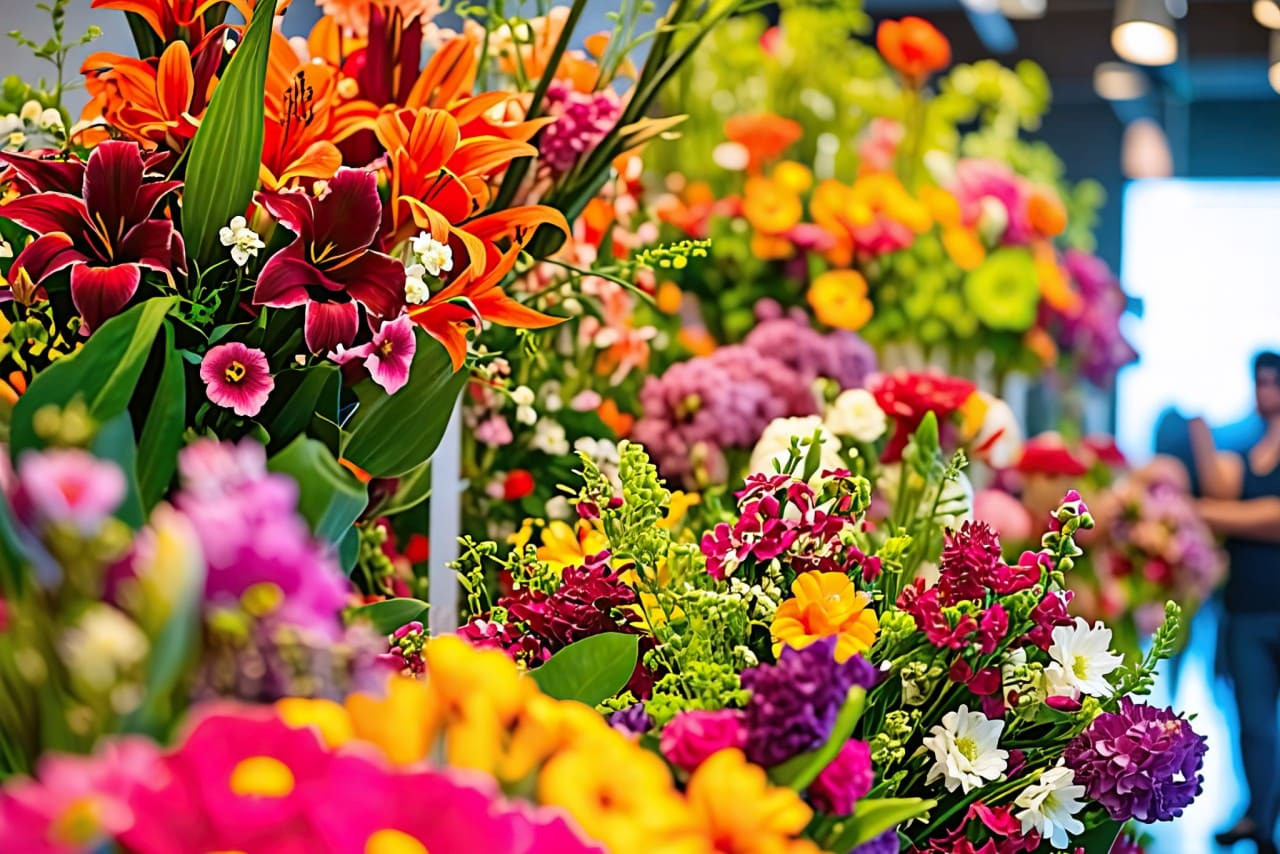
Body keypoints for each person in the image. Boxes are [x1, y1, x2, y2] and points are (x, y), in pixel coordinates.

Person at [1192, 351, 1280, 854]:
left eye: (1273, 380)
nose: (1264, 390)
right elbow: (1218, 486)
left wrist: (1214, 513)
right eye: (1260, 381)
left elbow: (1272, 515)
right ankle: (1258, 816)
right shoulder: (1246, 451)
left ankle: (1263, 815)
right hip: (1246, 612)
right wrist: (1202, 435)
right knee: (1252, 723)